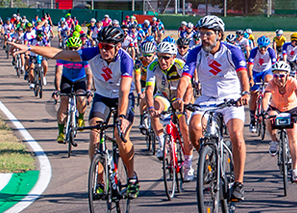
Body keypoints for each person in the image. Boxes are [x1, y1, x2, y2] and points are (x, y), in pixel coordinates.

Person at [11, 25, 140, 197]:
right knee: (94, 135)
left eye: (108, 47)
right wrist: (29, 48)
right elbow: (59, 53)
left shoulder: (126, 60)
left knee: (120, 135)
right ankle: (100, 181)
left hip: (122, 98)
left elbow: (124, 91)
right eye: (101, 46)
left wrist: (122, 117)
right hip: (102, 97)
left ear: (118, 46)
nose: (103, 50)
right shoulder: (92, 53)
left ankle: (131, 177)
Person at [175, 15, 251, 200]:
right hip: (207, 98)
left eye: (208, 34)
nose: (203, 37)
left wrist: (245, 93)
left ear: (219, 35)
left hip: (231, 98)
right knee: (194, 128)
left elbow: (243, 75)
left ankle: (238, 183)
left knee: (236, 135)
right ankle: (207, 159)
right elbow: (185, 78)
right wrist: (178, 98)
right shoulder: (195, 52)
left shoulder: (232, 51)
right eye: (201, 33)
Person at [262, 61, 297, 183]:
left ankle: (295, 169)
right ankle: (274, 140)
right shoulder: (271, 83)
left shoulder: (293, 82)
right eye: (276, 75)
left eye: (281, 75)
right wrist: (264, 110)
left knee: (293, 138)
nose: (278, 78)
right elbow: (266, 98)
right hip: (276, 108)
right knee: (269, 118)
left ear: (287, 75)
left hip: (292, 108)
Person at [144, 40, 189, 160]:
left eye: (166, 57)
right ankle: (162, 143)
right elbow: (149, 89)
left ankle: (188, 163)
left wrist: (185, 103)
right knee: (155, 108)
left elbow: (189, 88)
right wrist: (151, 108)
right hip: (163, 95)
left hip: (179, 96)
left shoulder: (180, 65)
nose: (162, 61)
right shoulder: (153, 66)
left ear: (173, 57)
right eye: (159, 57)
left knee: (185, 127)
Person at [54, 35, 93, 144]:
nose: (73, 51)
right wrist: (57, 90)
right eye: (71, 48)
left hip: (80, 80)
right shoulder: (62, 56)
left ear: (80, 47)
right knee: (64, 101)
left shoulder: (84, 57)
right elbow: (58, 74)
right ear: (67, 48)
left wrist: (89, 90)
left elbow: (89, 75)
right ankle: (61, 132)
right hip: (66, 80)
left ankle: (81, 117)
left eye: (76, 48)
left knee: (81, 98)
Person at [249, 36, 277, 135]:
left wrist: (275, 78)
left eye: (265, 47)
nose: (263, 49)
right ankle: (252, 119)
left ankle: (267, 99)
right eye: (261, 47)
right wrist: (251, 78)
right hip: (255, 72)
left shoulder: (270, 51)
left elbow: (274, 64)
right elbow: (250, 65)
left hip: (266, 71)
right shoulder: (254, 51)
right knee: (253, 94)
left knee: (269, 80)